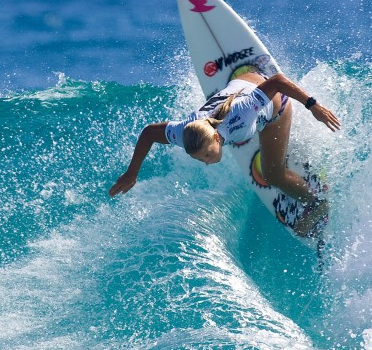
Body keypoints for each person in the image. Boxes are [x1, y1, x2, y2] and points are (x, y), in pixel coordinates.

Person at [109, 71, 340, 236]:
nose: (207, 163)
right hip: (243, 78)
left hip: (275, 109)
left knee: (272, 175)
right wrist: (132, 173)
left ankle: (316, 202)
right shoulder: (184, 132)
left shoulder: (240, 115)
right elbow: (149, 133)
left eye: (207, 155)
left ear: (218, 138)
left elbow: (278, 81)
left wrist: (313, 106)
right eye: (200, 159)